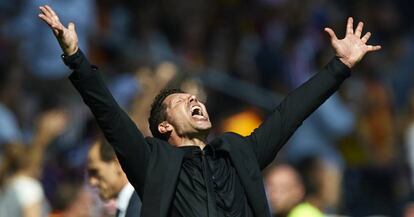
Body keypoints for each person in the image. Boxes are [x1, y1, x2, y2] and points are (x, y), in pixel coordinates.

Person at [38, 4, 381, 217]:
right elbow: (109, 116)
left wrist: (340, 66)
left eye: (195, 99)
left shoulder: (237, 153)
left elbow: (289, 113)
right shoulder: (151, 162)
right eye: (179, 102)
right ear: (164, 128)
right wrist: (76, 59)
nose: (193, 101)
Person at [87, 139, 141, 217]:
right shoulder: (129, 205)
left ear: (117, 165)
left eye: (95, 172)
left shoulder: (143, 204)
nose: (92, 182)